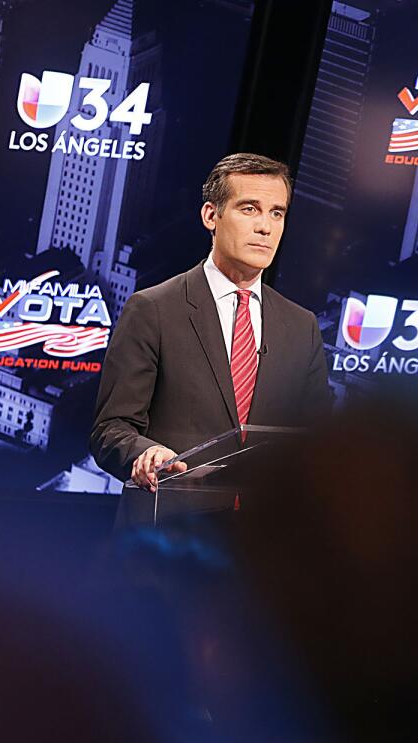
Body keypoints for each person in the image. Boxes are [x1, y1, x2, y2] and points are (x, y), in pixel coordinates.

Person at [90, 153, 332, 492]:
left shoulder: (302, 326)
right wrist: (147, 454)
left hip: (260, 535)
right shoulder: (152, 309)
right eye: (249, 209)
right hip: (170, 529)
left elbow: (320, 439)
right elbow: (110, 430)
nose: (265, 226)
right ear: (210, 215)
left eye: (276, 213)